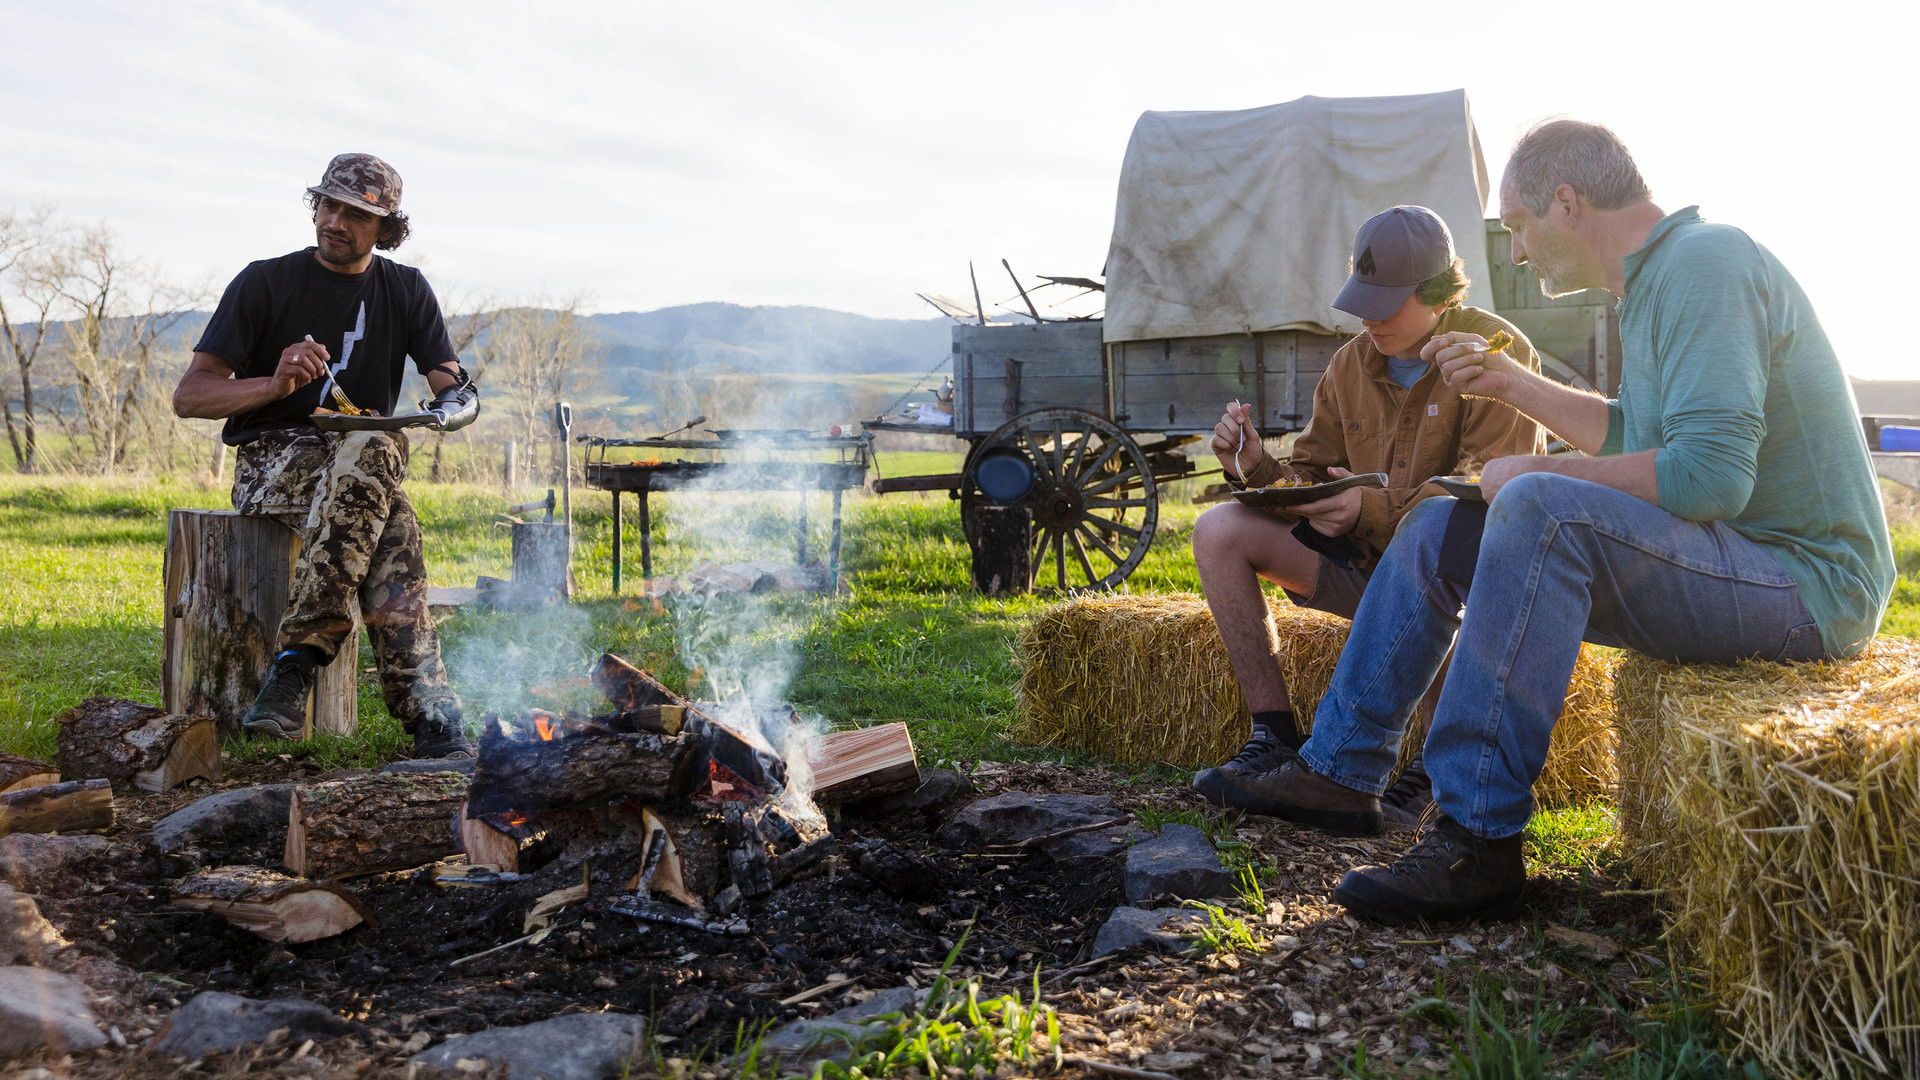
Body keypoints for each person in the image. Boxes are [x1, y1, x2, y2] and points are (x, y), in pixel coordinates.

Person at [1246, 120, 1894, 923]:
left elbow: (1711, 477)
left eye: (1518, 226)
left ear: (1567, 201)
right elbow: (1641, 437)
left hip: (1806, 584)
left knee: (1535, 505)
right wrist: (1513, 386)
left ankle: (1476, 837)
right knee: (1444, 520)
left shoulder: (1706, 264)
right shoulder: (1655, 282)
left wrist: (1539, 469)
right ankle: (1341, 772)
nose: (1515, 253)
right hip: (1732, 558)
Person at [1190, 205, 1545, 827]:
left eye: (1385, 301)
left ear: (1437, 294)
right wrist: (1256, 469)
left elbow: (1489, 495)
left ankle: (1434, 773)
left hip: (1459, 588)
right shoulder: (1351, 363)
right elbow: (1310, 474)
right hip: (1363, 569)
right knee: (1218, 529)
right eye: (1362, 298)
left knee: (1434, 567)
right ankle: (1274, 735)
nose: (1367, 315)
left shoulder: (1495, 353)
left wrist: (1367, 508)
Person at [172, 153, 480, 759]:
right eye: (328, 205)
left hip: (360, 465)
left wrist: (452, 406)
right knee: (387, 490)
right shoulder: (264, 281)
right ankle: (429, 715)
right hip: (273, 458)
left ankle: (297, 670)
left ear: (386, 228)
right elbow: (190, 396)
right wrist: (274, 386)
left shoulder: (406, 289)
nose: (335, 222)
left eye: (356, 214)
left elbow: (453, 383)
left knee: (383, 482)